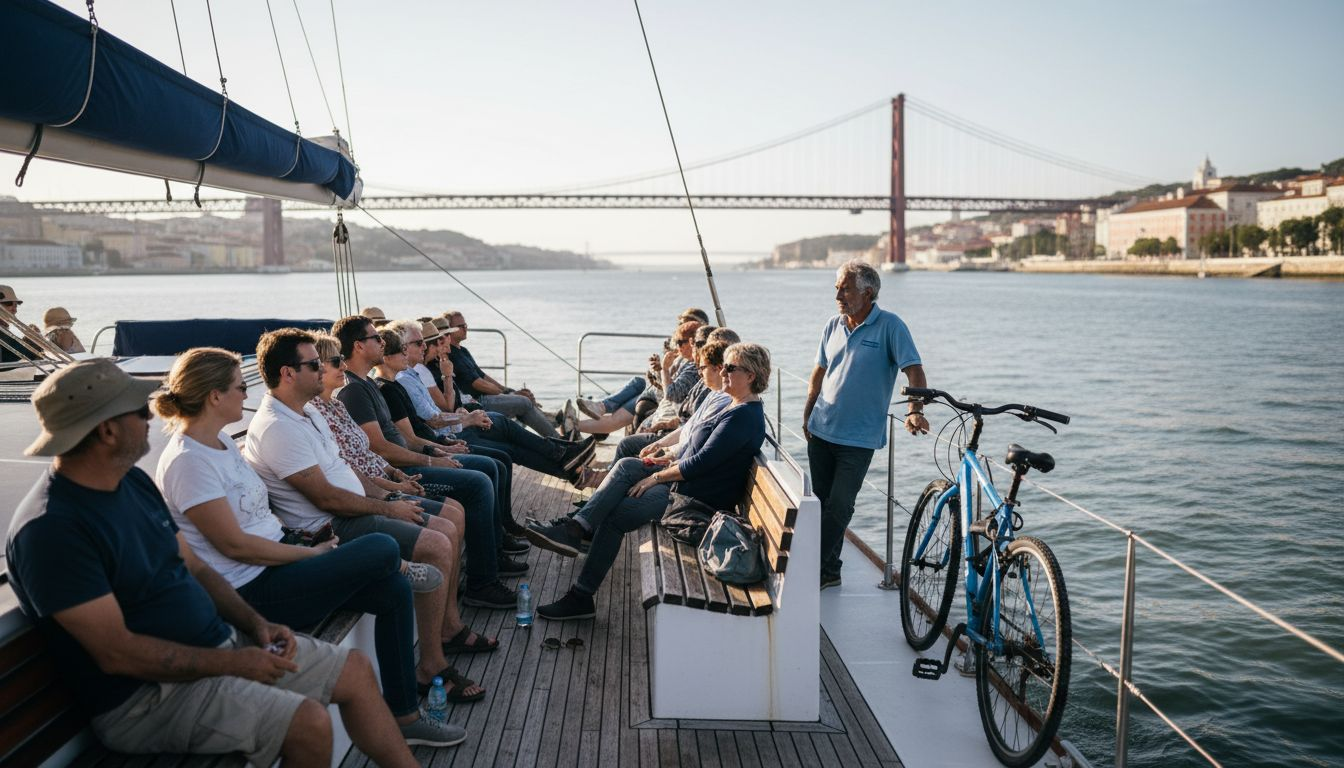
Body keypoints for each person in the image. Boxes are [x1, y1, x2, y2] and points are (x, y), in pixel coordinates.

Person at [6, 359, 425, 767]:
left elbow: (196, 567)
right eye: (138, 411)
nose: (150, 417)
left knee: (354, 670)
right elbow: (119, 654)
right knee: (308, 723)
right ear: (107, 430)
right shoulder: (52, 531)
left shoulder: (130, 481)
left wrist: (255, 625)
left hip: (218, 643)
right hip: (150, 697)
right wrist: (236, 662)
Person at [153, 347, 465, 746]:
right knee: (382, 547)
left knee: (393, 590)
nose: (245, 395)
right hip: (254, 590)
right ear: (215, 396)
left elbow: (259, 522)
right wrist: (311, 554)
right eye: (239, 388)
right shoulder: (188, 462)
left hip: (283, 560)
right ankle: (399, 564)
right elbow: (236, 546)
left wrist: (304, 543)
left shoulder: (221, 444)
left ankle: (405, 715)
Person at [242, 328, 491, 701]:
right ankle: (432, 664)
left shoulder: (307, 413)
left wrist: (388, 492)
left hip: (358, 505)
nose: (326, 368)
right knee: (437, 543)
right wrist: (389, 506)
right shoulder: (278, 428)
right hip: (331, 527)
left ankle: (448, 630)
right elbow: (328, 499)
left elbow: (344, 468)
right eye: (315, 364)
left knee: (447, 523)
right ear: (288, 373)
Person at [530, 343, 770, 621]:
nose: (723, 372)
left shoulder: (743, 417)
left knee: (616, 516)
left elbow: (700, 463)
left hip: (694, 501)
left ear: (750, 375)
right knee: (627, 465)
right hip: (684, 485)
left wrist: (655, 477)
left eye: (730, 368)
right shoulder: (733, 405)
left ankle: (581, 595)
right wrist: (662, 459)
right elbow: (694, 453)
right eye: (724, 366)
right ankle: (577, 527)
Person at [307, 333, 500, 660]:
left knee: (466, 497)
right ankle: (476, 591)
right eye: (334, 361)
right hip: (369, 496)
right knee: (475, 486)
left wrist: (398, 474)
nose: (342, 366)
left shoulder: (337, 404)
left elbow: (367, 453)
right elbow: (360, 463)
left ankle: (453, 620)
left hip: (389, 477)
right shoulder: (347, 397)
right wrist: (403, 481)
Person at [332, 315, 518, 610]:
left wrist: (436, 451)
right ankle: (482, 582)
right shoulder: (354, 391)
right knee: (479, 480)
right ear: (358, 346)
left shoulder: (367, 385)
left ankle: (492, 558)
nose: (383, 343)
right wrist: (431, 461)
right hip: (401, 472)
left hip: (405, 466)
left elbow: (403, 439)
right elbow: (382, 448)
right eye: (376, 338)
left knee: (492, 464)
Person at [804, 260, 929, 590]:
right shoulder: (833, 325)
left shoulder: (891, 326)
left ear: (868, 292)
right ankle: (829, 571)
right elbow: (819, 372)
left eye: (845, 289)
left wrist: (915, 410)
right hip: (821, 429)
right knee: (821, 503)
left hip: (858, 439)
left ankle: (808, 566)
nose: (837, 296)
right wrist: (807, 413)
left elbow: (914, 371)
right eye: (837, 288)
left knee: (840, 506)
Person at [443, 309, 560, 437]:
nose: (465, 328)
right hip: (477, 401)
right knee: (524, 402)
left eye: (465, 325)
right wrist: (507, 393)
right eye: (460, 326)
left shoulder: (463, 351)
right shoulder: (452, 354)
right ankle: (556, 436)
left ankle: (552, 424)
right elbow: (477, 383)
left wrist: (508, 390)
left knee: (524, 397)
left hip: (485, 396)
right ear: (449, 330)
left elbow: (483, 375)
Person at [0, 283, 41, 363]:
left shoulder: (4, 332)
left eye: (16, 305)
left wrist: (30, 339)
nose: (14, 310)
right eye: (8, 304)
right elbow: (23, 354)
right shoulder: (2, 333)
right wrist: (33, 340)